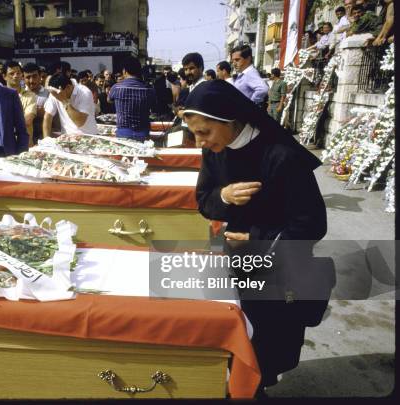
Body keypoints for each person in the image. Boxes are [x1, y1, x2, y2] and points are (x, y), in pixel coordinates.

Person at [183, 80, 327, 396]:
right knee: (226, 337)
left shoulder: (281, 154)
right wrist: (224, 196)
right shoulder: (215, 152)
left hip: (274, 270)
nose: (199, 142)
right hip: (229, 261)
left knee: (263, 347)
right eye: (194, 133)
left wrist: (257, 239)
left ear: (229, 119)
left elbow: (312, 224)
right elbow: (203, 200)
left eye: (204, 132)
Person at [108, 56, 156, 142]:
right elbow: (153, 105)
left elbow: (109, 100)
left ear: (124, 71)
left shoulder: (116, 87)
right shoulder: (149, 89)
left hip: (123, 133)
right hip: (143, 133)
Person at [4, 61, 38, 146]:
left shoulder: (30, 96)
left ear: (21, 75)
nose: (15, 76)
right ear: (4, 76)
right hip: (5, 144)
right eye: (11, 74)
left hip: (25, 144)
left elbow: (27, 121)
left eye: (18, 73)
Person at [23, 63, 50, 144]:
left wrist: (45, 113)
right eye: (28, 77)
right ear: (23, 78)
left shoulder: (49, 94)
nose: (31, 81)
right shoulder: (19, 95)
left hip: (44, 138)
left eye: (34, 76)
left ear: (40, 76)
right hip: (25, 139)